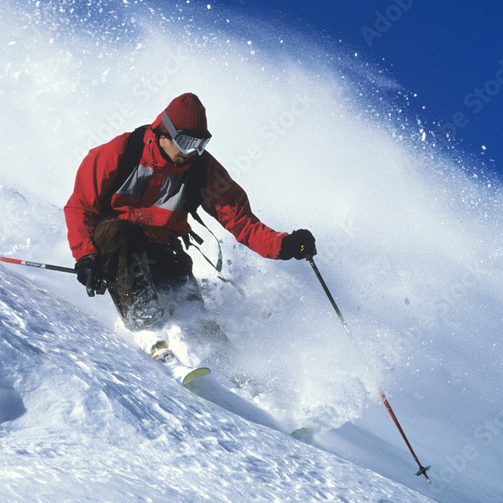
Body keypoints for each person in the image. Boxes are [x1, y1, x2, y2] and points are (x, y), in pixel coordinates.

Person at [64, 92, 316, 332]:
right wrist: (86, 257)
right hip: (116, 247)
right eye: (186, 143)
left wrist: (284, 244)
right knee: (122, 233)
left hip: (162, 250)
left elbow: (240, 220)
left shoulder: (200, 169)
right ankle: (146, 324)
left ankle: (224, 366)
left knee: (192, 312)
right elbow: (79, 207)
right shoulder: (122, 152)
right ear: (164, 134)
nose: (193, 152)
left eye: (201, 144)